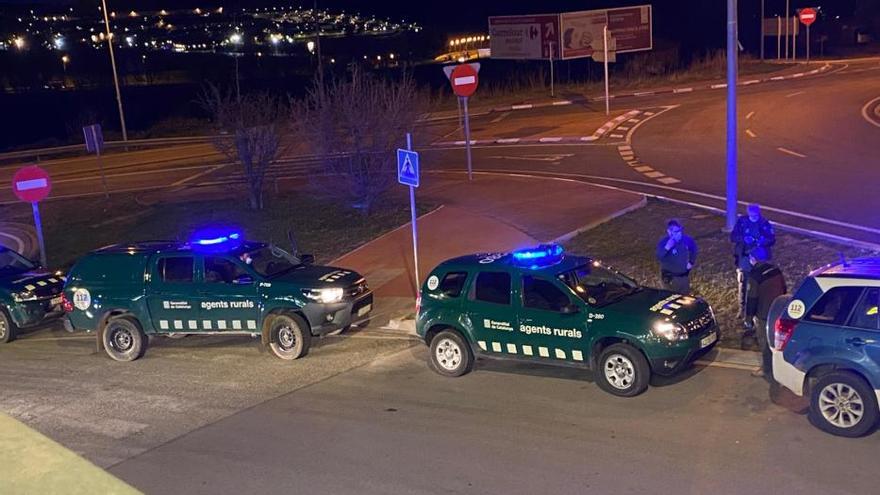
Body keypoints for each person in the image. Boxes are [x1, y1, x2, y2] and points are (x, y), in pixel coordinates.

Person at [744, 247, 787, 379]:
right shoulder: (776, 270)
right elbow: (784, 289)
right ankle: (781, 367)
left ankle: (767, 369)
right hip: (779, 311)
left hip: (763, 315)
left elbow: (752, 298)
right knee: (778, 342)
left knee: (765, 342)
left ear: (754, 259)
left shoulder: (755, 275)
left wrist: (749, 317)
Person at [730, 204, 776, 327]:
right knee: (743, 283)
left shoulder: (764, 223)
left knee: (757, 285)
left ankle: (757, 310)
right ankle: (742, 309)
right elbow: (733, 236)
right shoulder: (742, 222)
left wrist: (762, 241)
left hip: (759, 259)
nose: (754, 218)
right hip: (744, 259)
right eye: (752, 216)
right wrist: (744, 239)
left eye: (756, 216)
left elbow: (772, 239)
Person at [655, 219, 698, 294]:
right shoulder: (663, 242)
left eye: (680, 231)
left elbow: (693, 249)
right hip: (670, 280)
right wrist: (667, 247)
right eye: (676, 232)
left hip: (683, 278)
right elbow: (659, 256)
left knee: (685, 298)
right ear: (669, 232)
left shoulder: (686, 240)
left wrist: (691, 262)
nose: (679, 233)